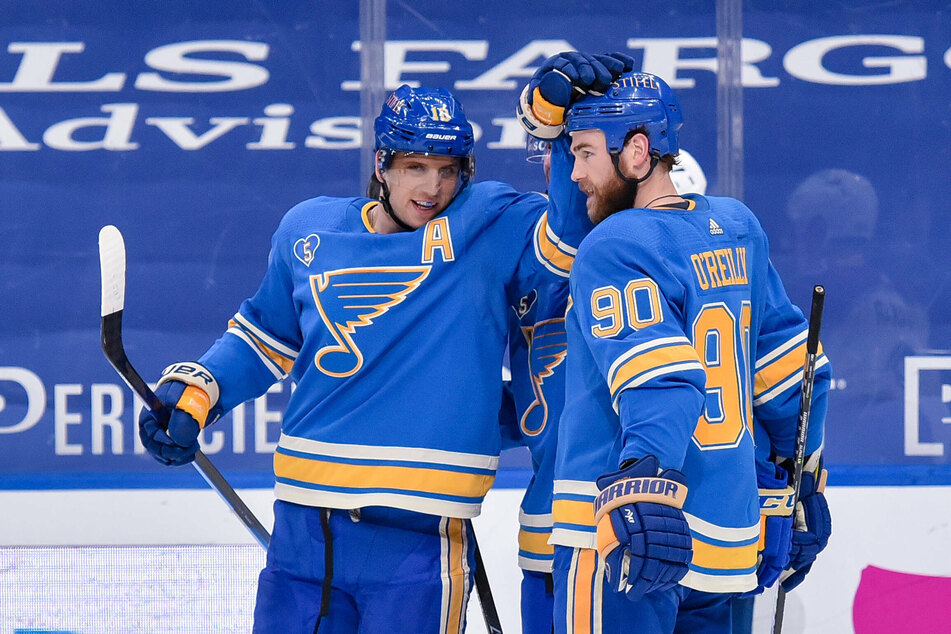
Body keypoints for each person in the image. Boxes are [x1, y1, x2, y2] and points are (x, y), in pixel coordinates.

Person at [137, 54, 633, 634]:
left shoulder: (493, 222)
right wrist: (197, 394)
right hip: (304, 531)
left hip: (420, 546)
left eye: (449, 169)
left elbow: (567, 244)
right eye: (416, 166)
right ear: (382, 164)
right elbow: (262, 336)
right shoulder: (310, 230)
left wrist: (549, 122)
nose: (433, 187)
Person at [517, 66, 832, 632]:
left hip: (627, 534)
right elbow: (791, 372)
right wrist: (799, 480)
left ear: (636, 152)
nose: (576, 173)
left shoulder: (613, 244)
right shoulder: (737, 226)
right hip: (728, 540)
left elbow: (660, 378)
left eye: (585, 153)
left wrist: (644, 482)